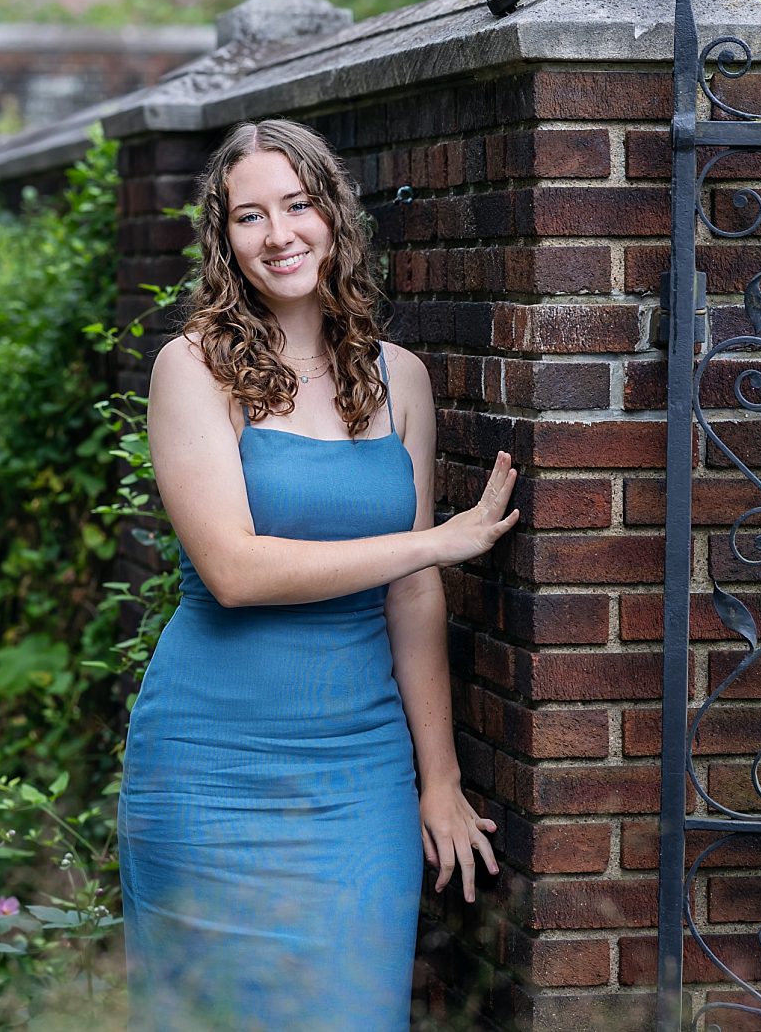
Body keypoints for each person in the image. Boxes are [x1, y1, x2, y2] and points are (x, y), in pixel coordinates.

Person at [117, 120, 519, 1029]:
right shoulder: (193, 370)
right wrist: (432, 541)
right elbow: (234, 570)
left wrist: (440, 778)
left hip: (358, 771)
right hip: (209, 768)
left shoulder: (399, 378)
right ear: (225, 240)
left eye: (297, 204)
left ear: (333, 214)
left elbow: (414, 598)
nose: (279, 234)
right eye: (249, 216)